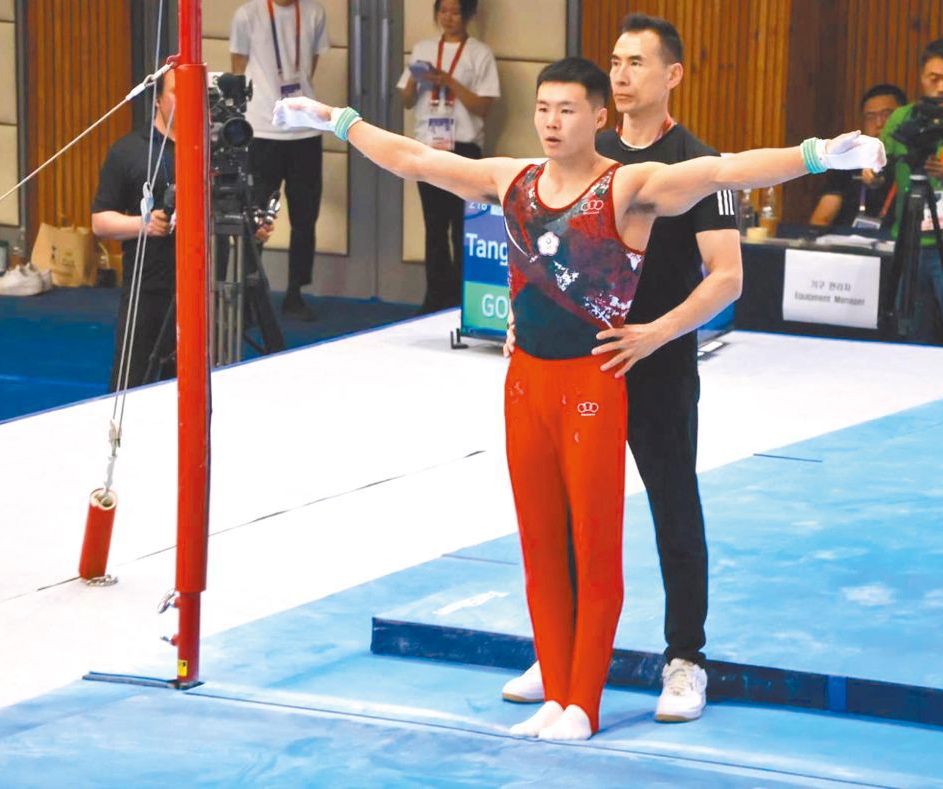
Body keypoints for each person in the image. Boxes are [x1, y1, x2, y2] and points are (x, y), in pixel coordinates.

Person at [273, 59, 884, 740]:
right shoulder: (512, 179)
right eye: (543, 109)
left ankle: (584, 703)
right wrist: (336, 119)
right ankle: (556, 691)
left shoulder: (628, 187)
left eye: (567, 110)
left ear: (598, 117)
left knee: (595, 550)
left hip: (592, 383)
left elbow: (724, 171)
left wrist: (818, 154)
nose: (552, 122)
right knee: (541, 546)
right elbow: (415, 159)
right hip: (525, 383)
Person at [500, 13, 742, 725]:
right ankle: (566, 655)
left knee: (673, 502)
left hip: (657, 362)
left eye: (637, 62)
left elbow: (727, 276)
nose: (622, 74)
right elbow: (537, 242)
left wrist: (655, 334)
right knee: (569, 515)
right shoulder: (586, 150)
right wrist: (522, 312)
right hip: (579, 365)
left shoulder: (697, 161)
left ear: (673, 75)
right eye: (614, 62)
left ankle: (685, 658)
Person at [92, 70, 274, 390]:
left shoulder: (223, 149)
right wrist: (143, 224)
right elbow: (100, 222)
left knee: (205, 384)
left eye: (197, 92)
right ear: (158, 100)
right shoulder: (129, 151)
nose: (190, 99)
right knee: (133, 383)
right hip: (151, 288)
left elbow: (248, 203)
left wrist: (255, 225)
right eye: (179, 91)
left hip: (212, 287)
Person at [397, 0, 499, 314]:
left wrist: (451, 82)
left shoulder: (479, 53)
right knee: (434, 226)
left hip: (464, 149)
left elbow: (483, 106)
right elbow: (406, 100)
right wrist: (415, 80)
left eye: (455, 12)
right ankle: (435, 297)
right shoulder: (423, 48)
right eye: (443, 11)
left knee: (463, 227)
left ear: (467, 15)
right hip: (429, 148)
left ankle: (463, 300)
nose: (448, 18)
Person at [230, 0, 329, 322]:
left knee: (305, 218)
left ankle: (295, 293)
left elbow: (310, 65)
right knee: (255, 216)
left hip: (305, 131)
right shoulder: (248, 14)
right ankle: (248, 297)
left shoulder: (314, 13)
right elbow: (238, 67)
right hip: (261, 130)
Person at [881, 38, 943, 345]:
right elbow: (881, 163)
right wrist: (871, 174)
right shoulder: (902, 118)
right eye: (934, 78)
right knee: (913, 335)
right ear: (921, 78)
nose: (941, 87)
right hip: (909, 242)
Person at [809, 83, 906, 227]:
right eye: (870, 117)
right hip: (848, 239)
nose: (879, 123)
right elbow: (821, 219)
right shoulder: (846, 161)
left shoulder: (913, 161)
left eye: (887, 115)